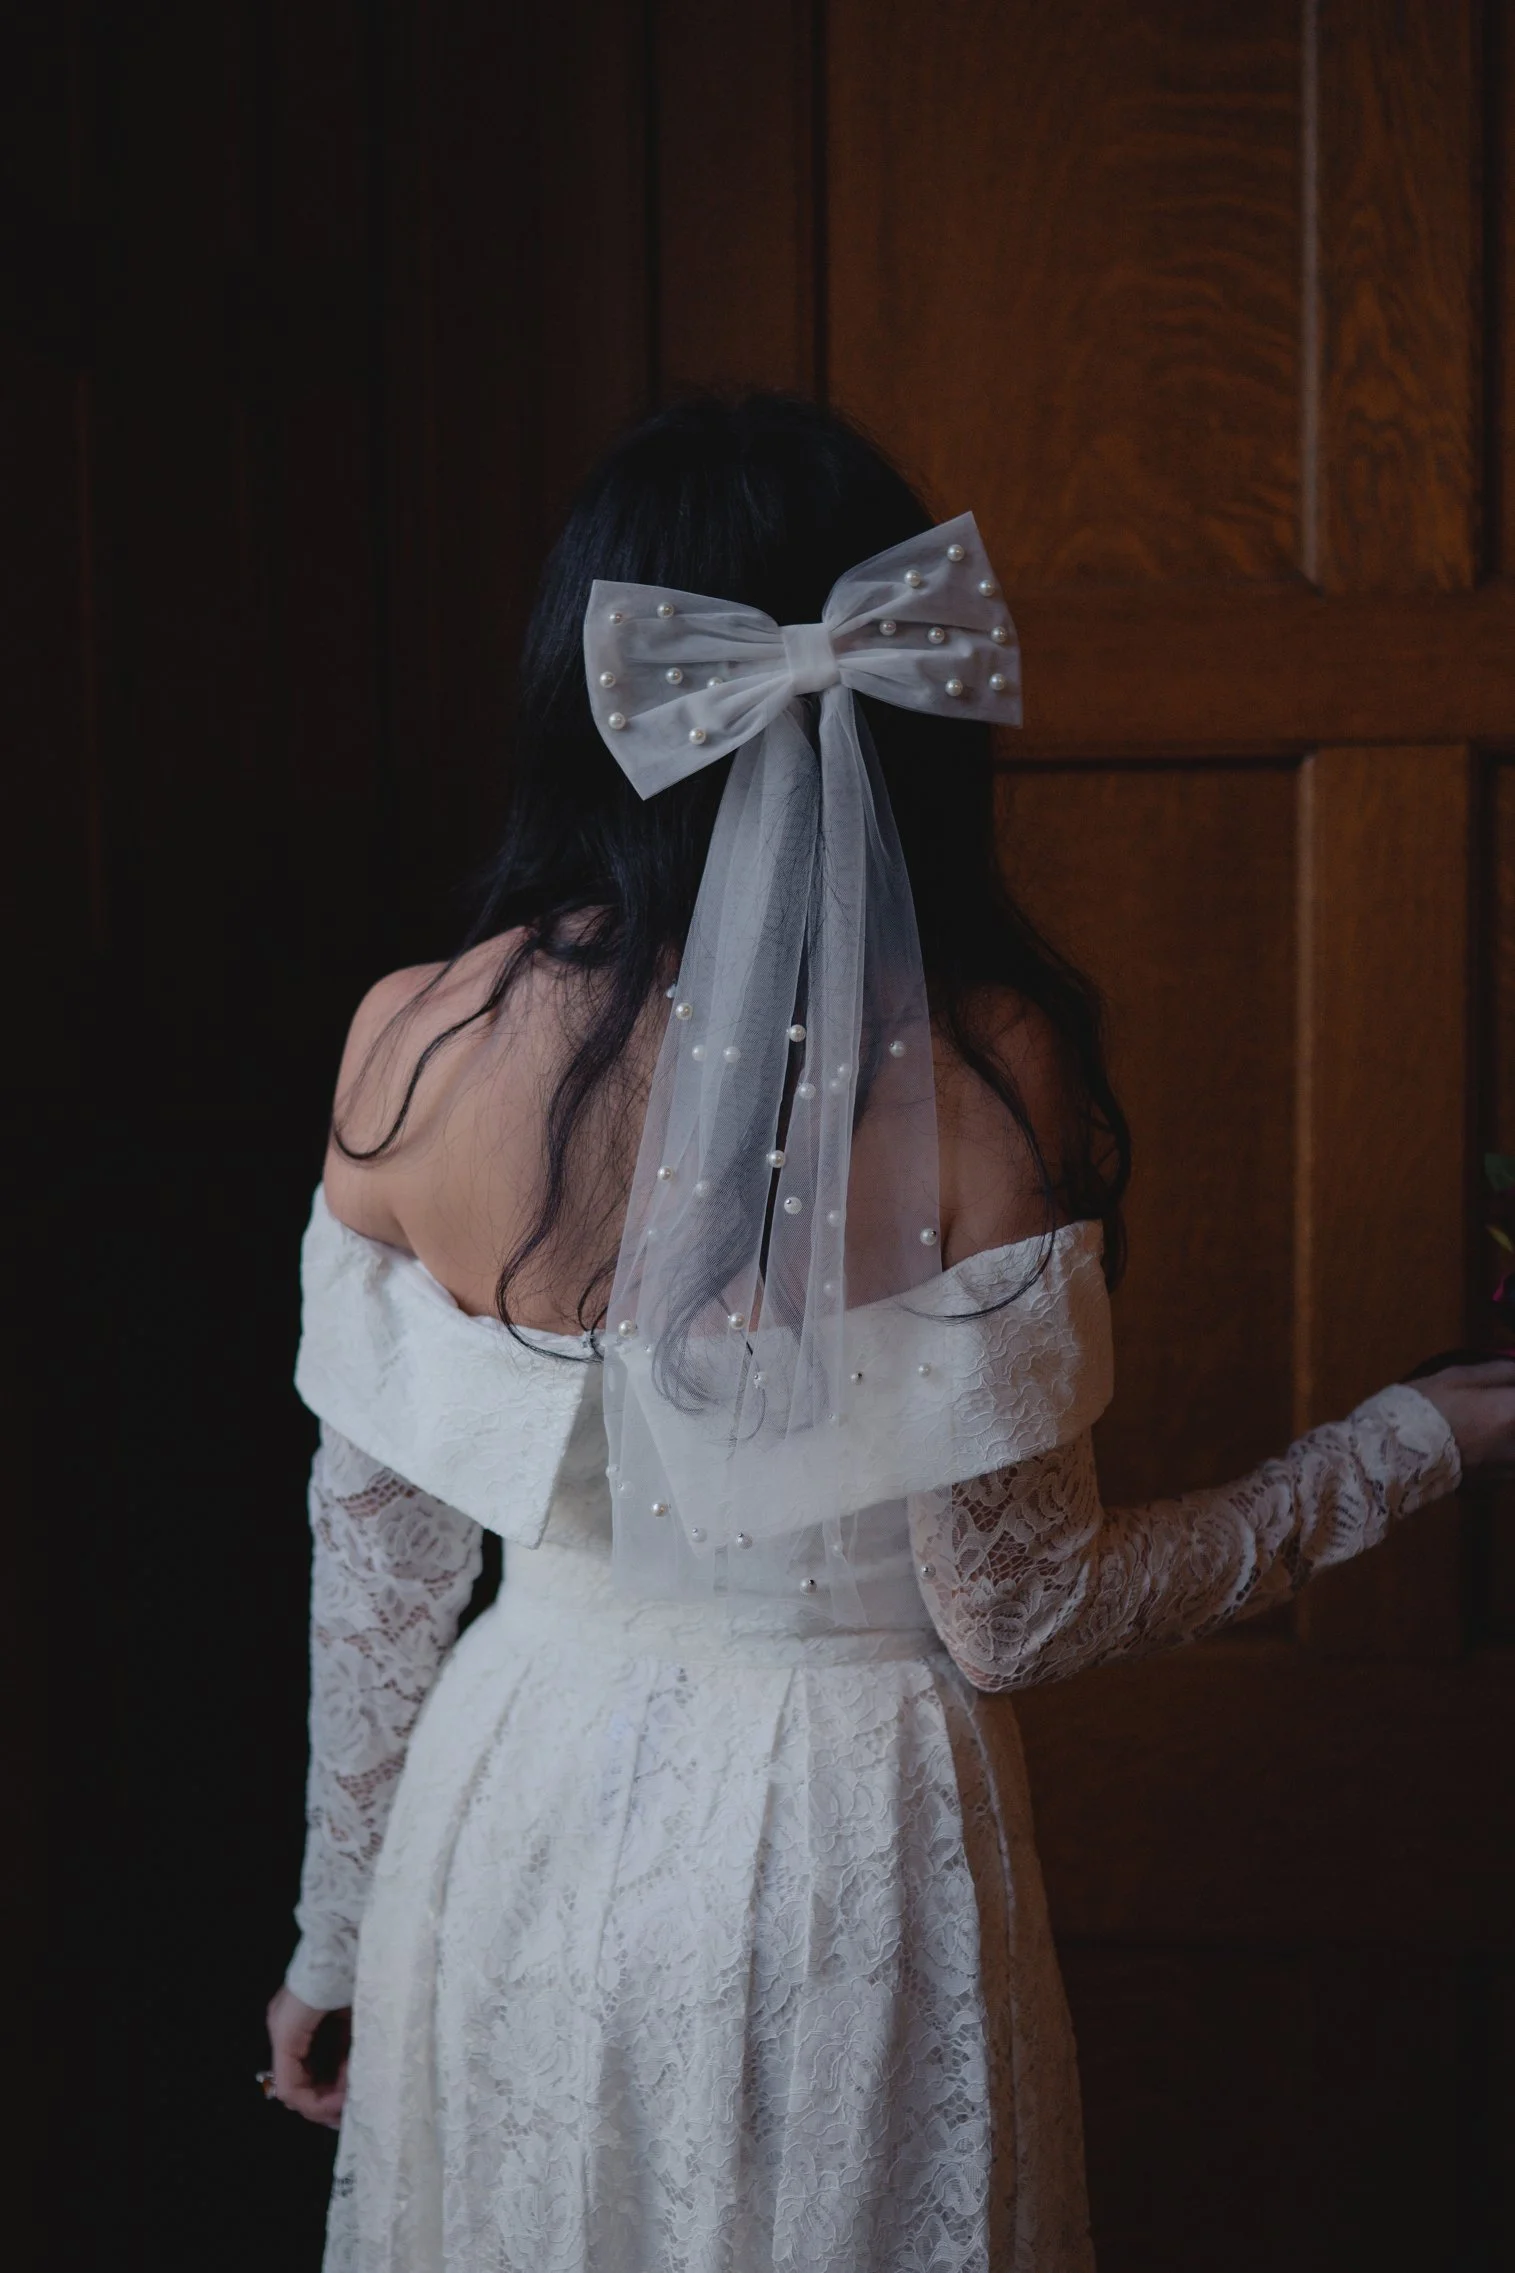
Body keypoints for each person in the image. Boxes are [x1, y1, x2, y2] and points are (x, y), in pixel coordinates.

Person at [263, 394, 1515, 2273]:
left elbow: (381, 1559)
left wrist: (336, 1935)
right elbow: (1018, 1608)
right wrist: (1415, 1443)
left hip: (508, 1809)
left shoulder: (416, 1043)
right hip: (844, 1847)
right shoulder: (977, 1078)